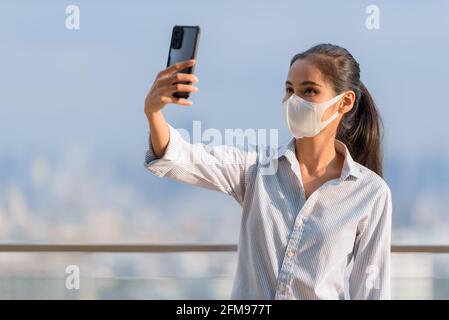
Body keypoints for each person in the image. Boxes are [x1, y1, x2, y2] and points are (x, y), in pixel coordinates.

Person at [143, 43, 392, 300]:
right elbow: (179, 157)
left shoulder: (370, 193)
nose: (295, 100)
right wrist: (153, 113)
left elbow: (373, 291)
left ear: (345, 102)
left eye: (309, 91)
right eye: (289, 90)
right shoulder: (256, 169)